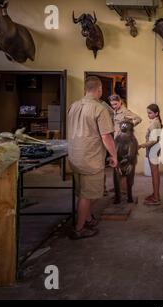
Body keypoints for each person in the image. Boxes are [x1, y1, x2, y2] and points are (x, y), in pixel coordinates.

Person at [67, 76, 118, 240]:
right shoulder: (99, 108)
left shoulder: (73, 106)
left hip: (75, 156)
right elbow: (106, 137)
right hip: (91, 157)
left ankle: (87, 219)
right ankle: (79, 229)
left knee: (82, 191)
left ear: (85, 88)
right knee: (88, 195)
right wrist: (114, 155)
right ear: (99, 89)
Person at [139, 104, 162, 206]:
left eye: (150, 113)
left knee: (155, 173)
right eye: (147, 113)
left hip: (153, 149)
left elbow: (153, 140)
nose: (148, 115)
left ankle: (156, 198)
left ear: (156, 113)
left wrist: (141, 145)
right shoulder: (155, 122)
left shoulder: (154, 123)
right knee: (154, 173)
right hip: (153, 149)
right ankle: (155, 194)